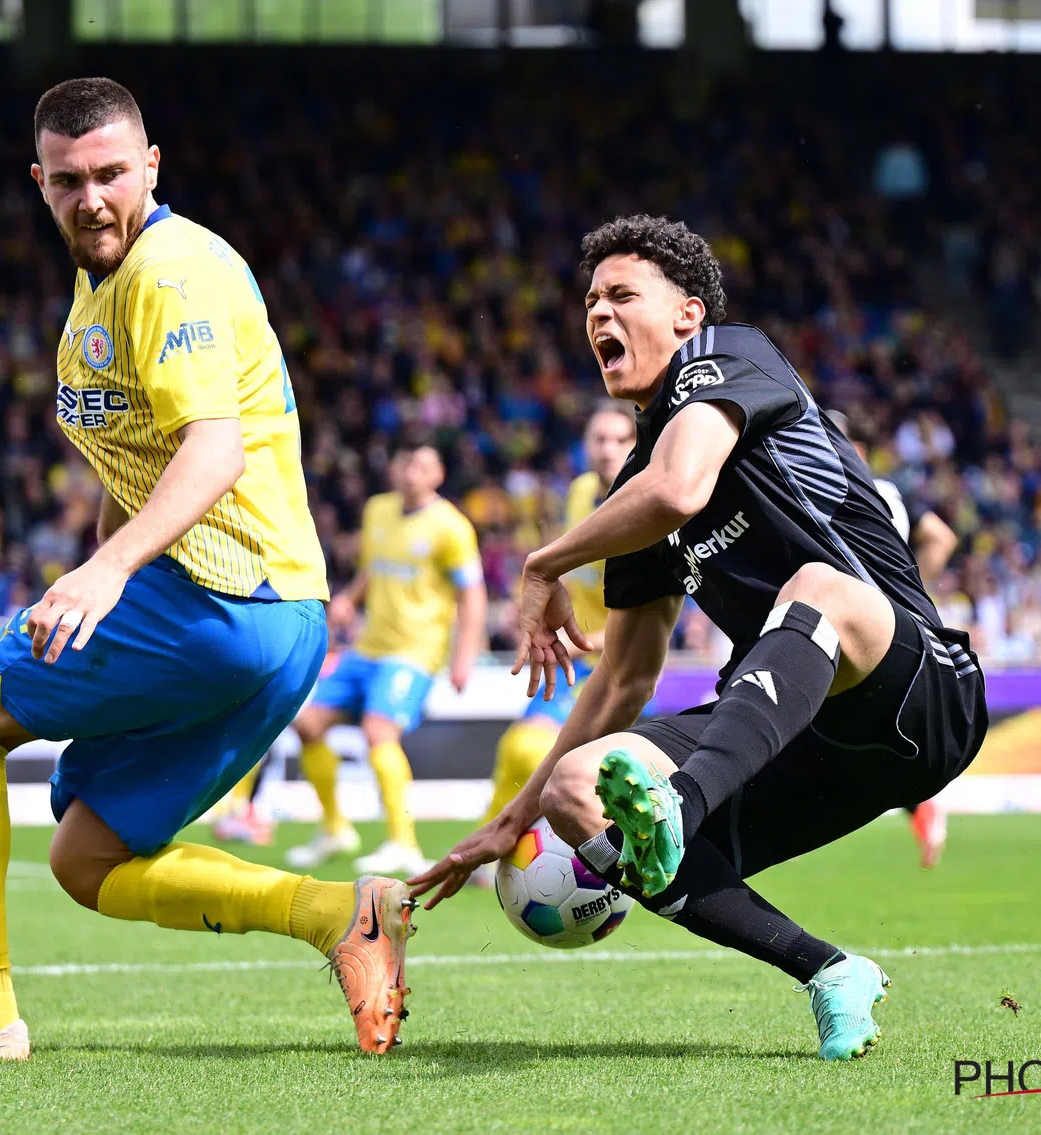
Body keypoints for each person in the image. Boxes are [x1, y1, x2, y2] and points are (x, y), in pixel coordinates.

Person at [0, 78, 414, 1062]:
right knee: (86, 858)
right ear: (38, 183)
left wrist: (110, 572)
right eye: (68, 180)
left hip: (221, 600)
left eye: (112, 173)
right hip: (275, 624)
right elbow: (141, 458)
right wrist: (96, 564)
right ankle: (340, 913)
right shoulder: (102, 283)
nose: (92, 197)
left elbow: (211, 450)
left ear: (151, 167)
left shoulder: (168, 273)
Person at [410, 216, 987, 1062]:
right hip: (811, 736)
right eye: (589, 301)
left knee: (819, 588)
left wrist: (545, 563)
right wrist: (515, 815)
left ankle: (680, 807)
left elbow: (681, 488)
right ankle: (826, 971)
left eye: (620, 295)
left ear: (685, 314)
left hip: (919, 687)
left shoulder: (729, 355)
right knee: (579, 789)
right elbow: (622, 681)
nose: (597, 314)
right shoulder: (627, 489)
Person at [286, 442, 488, 878]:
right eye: (406, 461)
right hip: (367, 646)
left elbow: (472, 594)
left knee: (379, 731)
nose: (412, 471)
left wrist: (464, 656)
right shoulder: (377, 510)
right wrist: (348, 599)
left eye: (423, 464)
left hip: (413, 652)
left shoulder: (451, 526)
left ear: (437, 475)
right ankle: (335, 828)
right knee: (307, 725)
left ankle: (403, 842)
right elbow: (373, 569)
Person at [470, 402, 635, 891]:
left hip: (615, 665)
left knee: (538, 752)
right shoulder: (582, 492)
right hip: (571, 657)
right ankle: (494, 842)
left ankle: (588, 858)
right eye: (600, 439)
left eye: (620, 440)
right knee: (517, 748)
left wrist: (582, 642)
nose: (609, 450)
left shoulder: (642, 514)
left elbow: (651, 624)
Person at [824, 408, 958, 869]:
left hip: (852, 626)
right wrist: (911, 587)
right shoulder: (891, 492)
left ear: (855, 449)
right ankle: (918, 801)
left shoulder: (837, 490)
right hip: (892, 627)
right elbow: (941, 537)